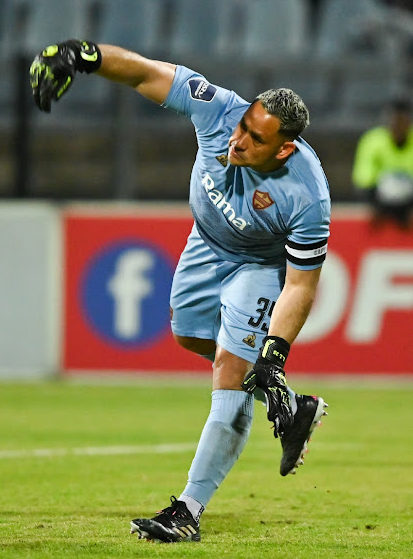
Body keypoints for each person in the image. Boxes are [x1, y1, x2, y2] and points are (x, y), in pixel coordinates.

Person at [29, 40, 330, 543]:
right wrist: (85, 57)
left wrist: (273, 355)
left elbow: (300, 286)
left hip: (259, 264)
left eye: (254, 140)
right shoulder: (219, 110)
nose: (236, 142)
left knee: (230, 372)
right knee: (187, 336)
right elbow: (145, 74)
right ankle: (293, 405)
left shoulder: (306, 197)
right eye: (242, 126)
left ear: (284, 149)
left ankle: (187, 510)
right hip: (205, 243)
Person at [352, 96, 413, 228]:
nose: (399, 125)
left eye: (403, 121)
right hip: (379, 198)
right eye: (396, 120)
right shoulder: (373, 141)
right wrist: (376, 205)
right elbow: (363, 179)